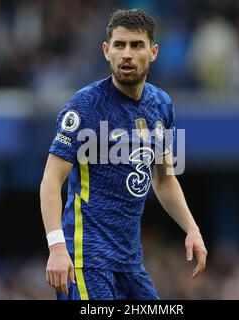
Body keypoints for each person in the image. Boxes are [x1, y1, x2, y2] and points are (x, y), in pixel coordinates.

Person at [40, 8, 207, 300]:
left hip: (129, 262)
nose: (126, 54)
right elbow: (51, 181)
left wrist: (192, 229)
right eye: (119, 45)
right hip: (85, 258)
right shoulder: (85, 106)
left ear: (153, 52)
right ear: (106, 51)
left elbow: (164, 180)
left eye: (136, 45)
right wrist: (56, 247)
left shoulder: (162, 105)